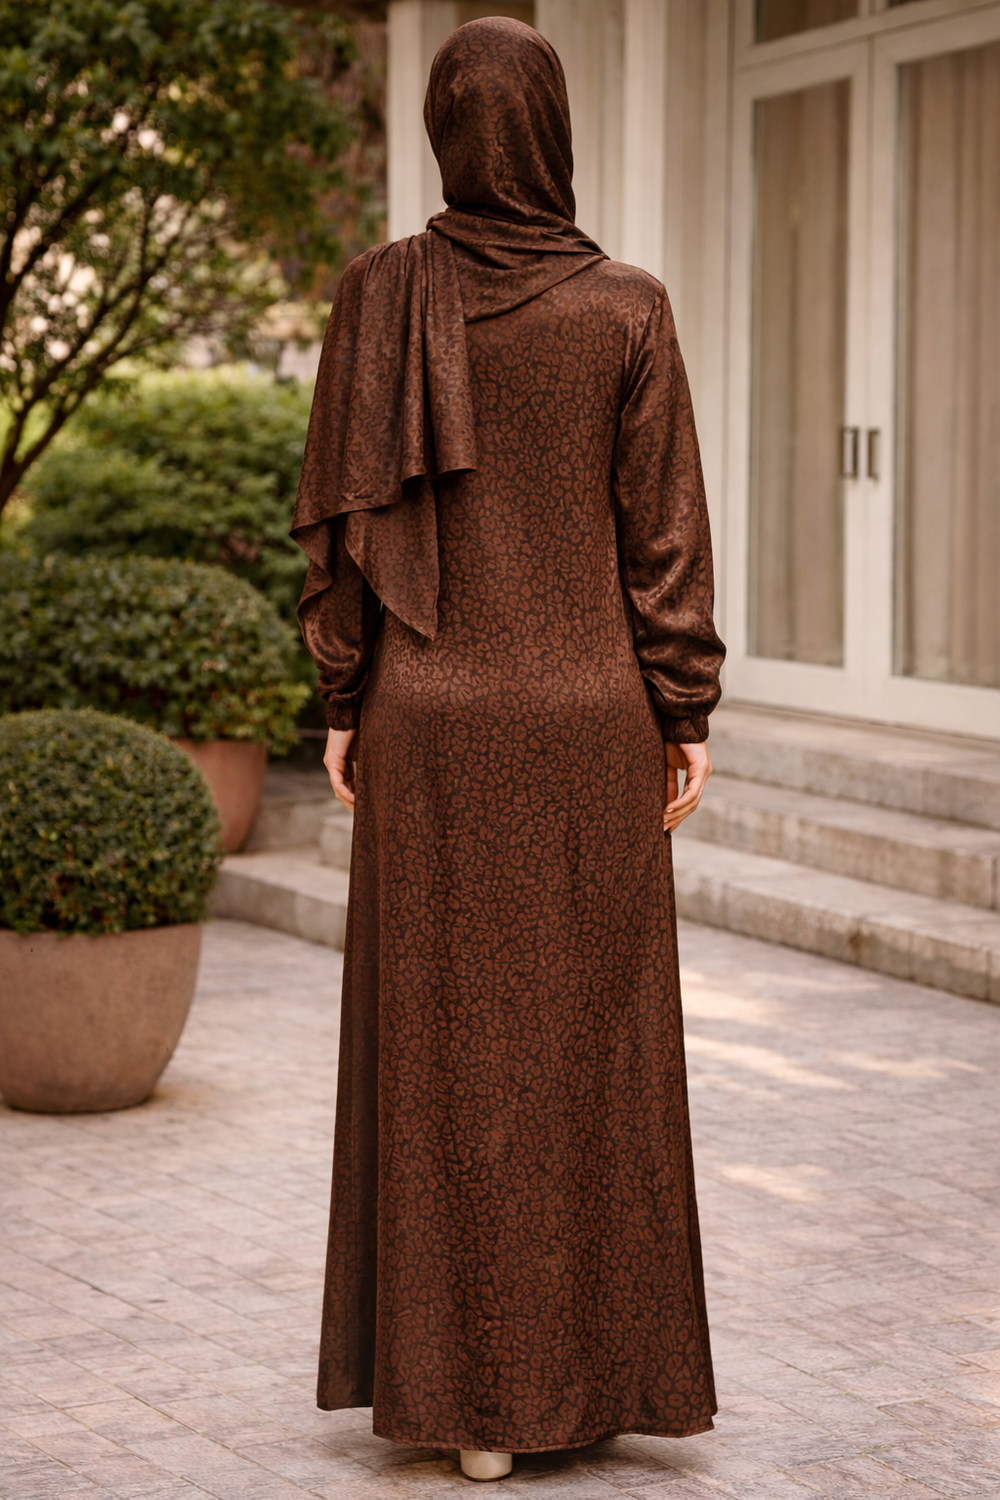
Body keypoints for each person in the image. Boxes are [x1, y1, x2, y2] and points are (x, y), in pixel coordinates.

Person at [291, 16, 726, 1484]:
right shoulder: (629, 309)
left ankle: (467, 1406)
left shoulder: (381, 296)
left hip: (428, 724)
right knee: (584, 1061)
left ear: (437, 129)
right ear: (552, 126)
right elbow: (663, 539)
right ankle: (583, 1383)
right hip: (588, 727)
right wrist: (686, 710)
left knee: (439, 1066)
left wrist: (343, 701)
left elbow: (346, 535)